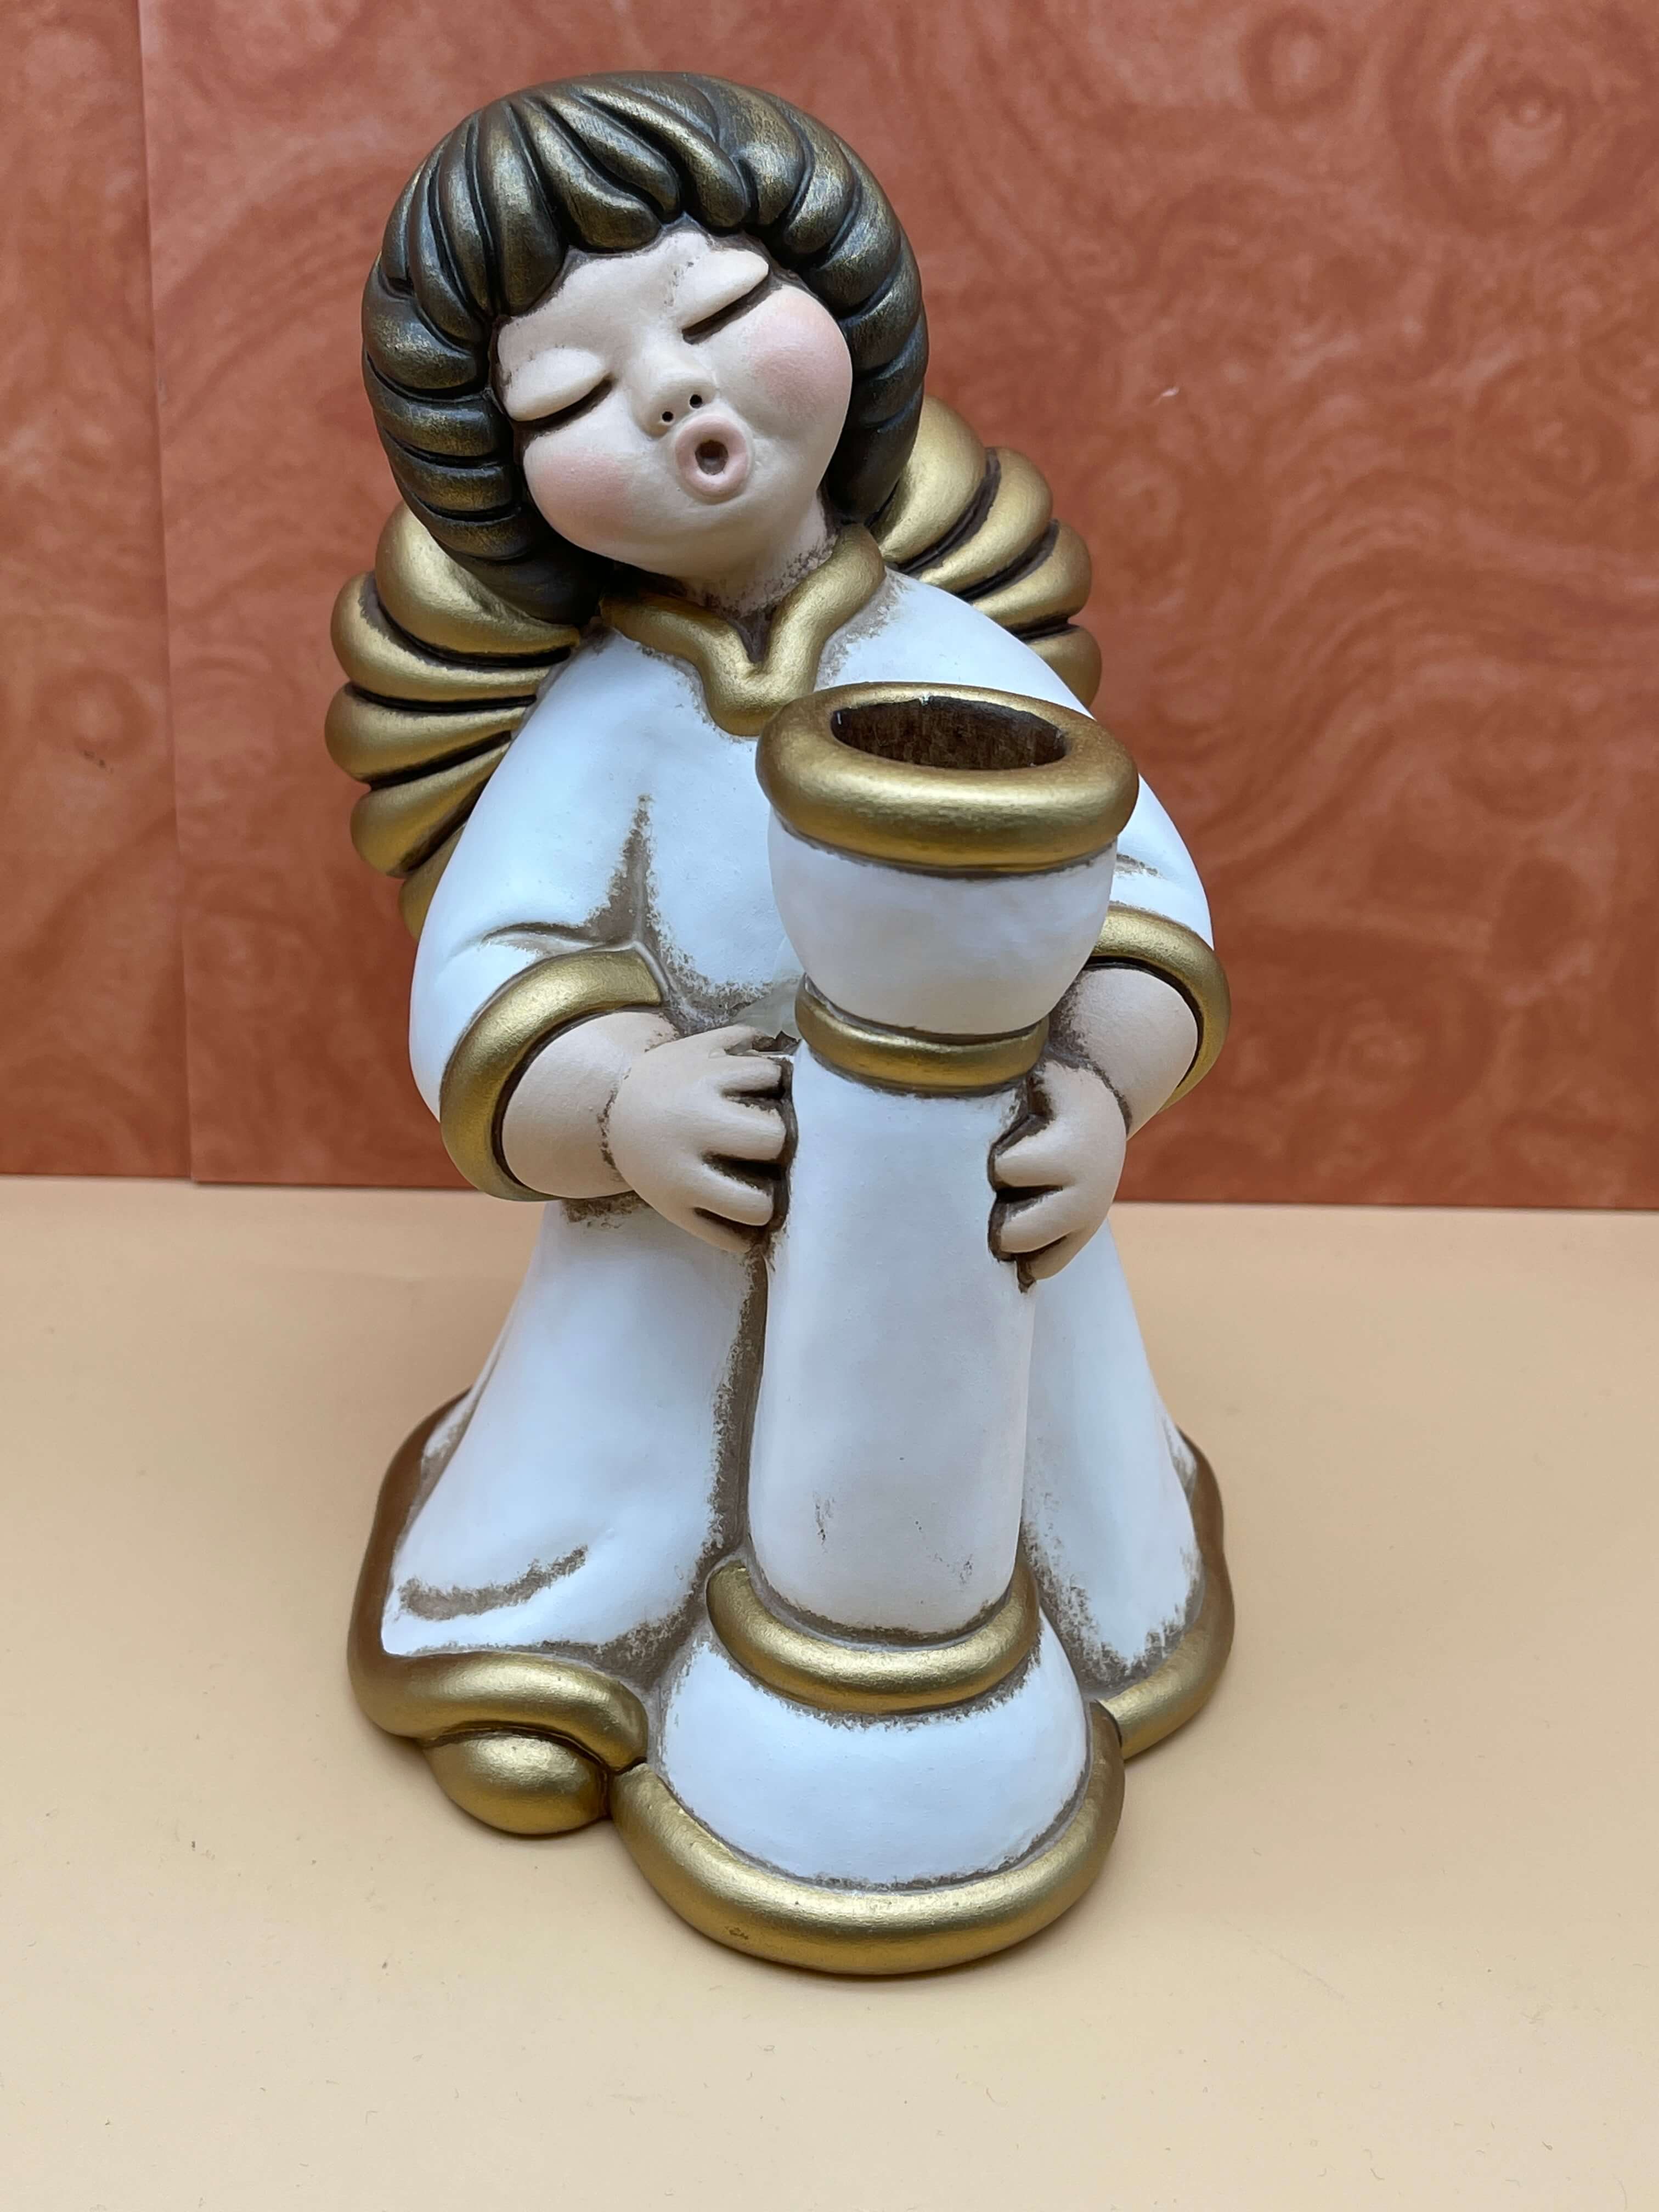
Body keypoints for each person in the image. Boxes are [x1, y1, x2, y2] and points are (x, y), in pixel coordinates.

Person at [331, 72, 1231, 1838]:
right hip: (692, 1227)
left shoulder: (958, 656)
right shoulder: (602, 724)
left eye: (721, 311)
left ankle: (1068, 1608)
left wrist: (1098, 1091)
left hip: (976, 1200)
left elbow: (1142, 901)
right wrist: (623, 1108)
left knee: (1033, 1457)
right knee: (627, 1445)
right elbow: (493, 970)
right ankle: (576, 1648)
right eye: (572, 395)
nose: (673, 391)